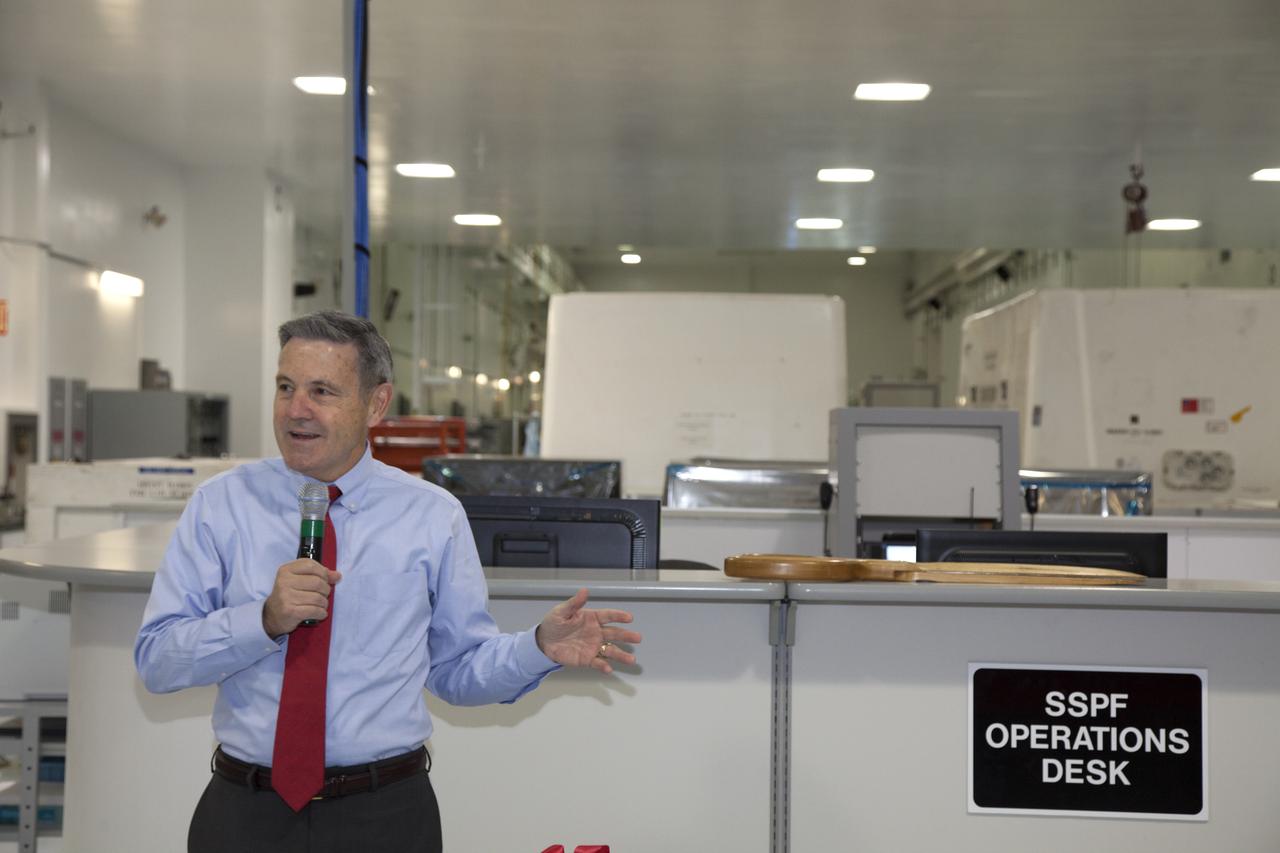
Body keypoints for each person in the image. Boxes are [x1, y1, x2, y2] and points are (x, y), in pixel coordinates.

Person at [135, 310, 640, 853]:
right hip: (244, 814)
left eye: (322, 391)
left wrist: (536, 648)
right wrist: (262, 620)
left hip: (385, 816)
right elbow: (158, 661)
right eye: (286, 387)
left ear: (376, 403)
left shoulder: (431, 515)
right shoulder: (221, 505)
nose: (295, 409)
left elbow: (455, 670)